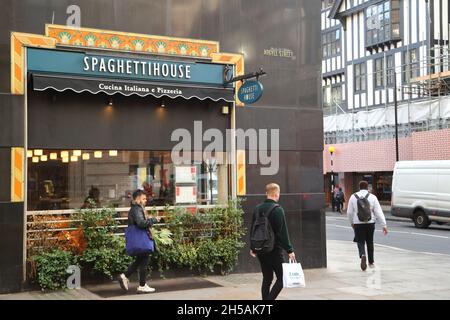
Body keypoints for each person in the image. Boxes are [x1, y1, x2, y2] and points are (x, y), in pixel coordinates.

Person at [250, 183, 295, 300]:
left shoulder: (257, 208)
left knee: (267, 278)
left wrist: (253, 247)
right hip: (274, 250)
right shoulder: (278, 210)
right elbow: (282, 233)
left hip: (260, 248)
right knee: (282, 278)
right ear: (277, 194)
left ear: (266, 194)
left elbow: (253, 229)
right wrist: (289, 250)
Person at [118, 189, 161, 294]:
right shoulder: (136, 209)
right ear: (137, 199)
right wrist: (154, 220)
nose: (145, 200)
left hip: (140, 239)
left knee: (141, 261)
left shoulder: (137, 208)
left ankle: (127, 277)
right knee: (143, 261)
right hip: (141, 239)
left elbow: (141, 221)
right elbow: (141, 223)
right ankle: (141, 285)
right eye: (143, 198)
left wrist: (149, 219)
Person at [347, 181, 388, 271]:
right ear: (367, 187)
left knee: (360, 241)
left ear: (359, 187)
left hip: (358, 223)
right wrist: (384, 225)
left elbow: (349, 212)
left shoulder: (353, 197)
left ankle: (362, 255)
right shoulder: (373, 197)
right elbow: (378, 212)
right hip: (370, 222)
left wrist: (352, 223)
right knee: (370, 242)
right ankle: (371, 262)